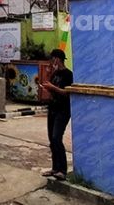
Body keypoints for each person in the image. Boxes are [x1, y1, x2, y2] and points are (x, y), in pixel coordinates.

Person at [39, 49, 73, 181]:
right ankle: (55, 168)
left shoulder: (68, 74)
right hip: (52, 108)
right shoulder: (55, 74)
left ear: (58, 59)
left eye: (53, 59)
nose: (51, 61)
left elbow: (67, 93)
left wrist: (53, 88)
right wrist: (47, 88)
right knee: (51, 139)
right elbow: (52, 90)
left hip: (63, 110)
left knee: (56, 137)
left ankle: (62, 170)